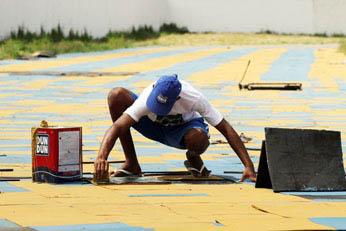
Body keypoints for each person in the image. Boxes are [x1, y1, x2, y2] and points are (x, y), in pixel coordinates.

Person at [94, 74, 256, 182]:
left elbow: (225, 128)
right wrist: (102, 156)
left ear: (178, 97)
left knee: (199, 137)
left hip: (182, 132)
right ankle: (131, 163)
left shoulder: (194, 97)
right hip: (153, 127)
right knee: (116, 96)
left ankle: (193, 157)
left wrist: (248, 166)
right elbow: (117, 127)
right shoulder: (146, 97)